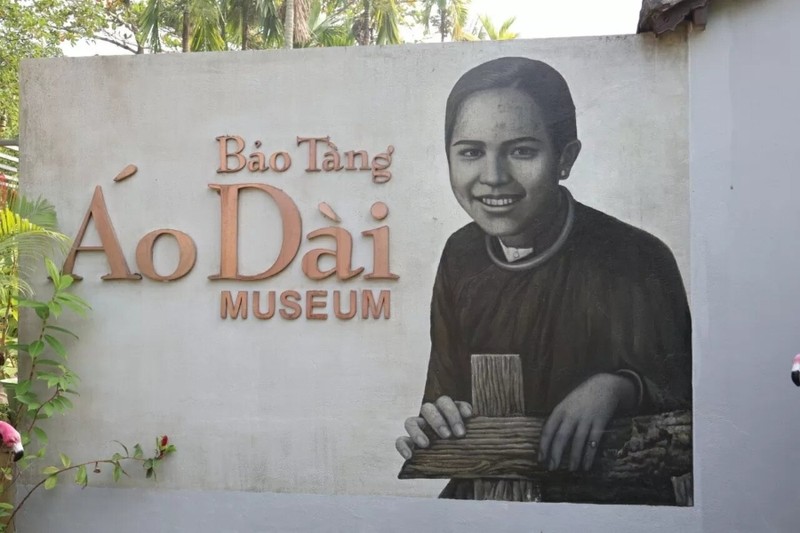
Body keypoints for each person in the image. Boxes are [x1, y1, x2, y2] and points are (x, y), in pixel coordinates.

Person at [395, 57, 692, 499]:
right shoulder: (461, 254)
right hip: (489, 495)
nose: (493, 178)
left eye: (521, 151)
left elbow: (697, 402)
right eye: (471, 152)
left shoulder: (636, 259)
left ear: (564, 158)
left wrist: (619, 387)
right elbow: (448, 392)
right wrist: (441, 417)